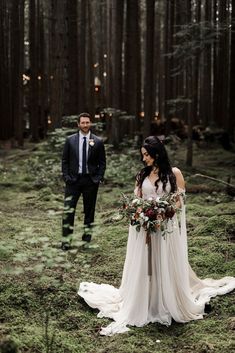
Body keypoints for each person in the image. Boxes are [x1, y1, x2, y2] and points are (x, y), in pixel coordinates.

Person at [78, 135, 235, 336]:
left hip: (165, 226)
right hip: (145, 226)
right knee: (145, 261)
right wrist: (140, 211)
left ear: (156, 153)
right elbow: (136, 198)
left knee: (163, 260)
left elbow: (179, 200)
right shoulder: (142, 175)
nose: (144, 159)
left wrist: (164, 211)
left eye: (146, 155)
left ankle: (164, 298)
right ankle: (145, 298)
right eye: (143, 155)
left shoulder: (174, 173)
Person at [61, 112, 106, 250]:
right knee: (68, 211)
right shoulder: (70, 140)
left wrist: (97, 178)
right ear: (78, 124)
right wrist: (67, 177)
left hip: (90, 182)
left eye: (87, 122)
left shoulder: (97, 141)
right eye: (83, 122)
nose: (85, 125)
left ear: (90, 123)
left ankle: (86, 242)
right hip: (73, 181)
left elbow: (102, 162)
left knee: (89, 212)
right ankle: (66, 242)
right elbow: (65, 161)